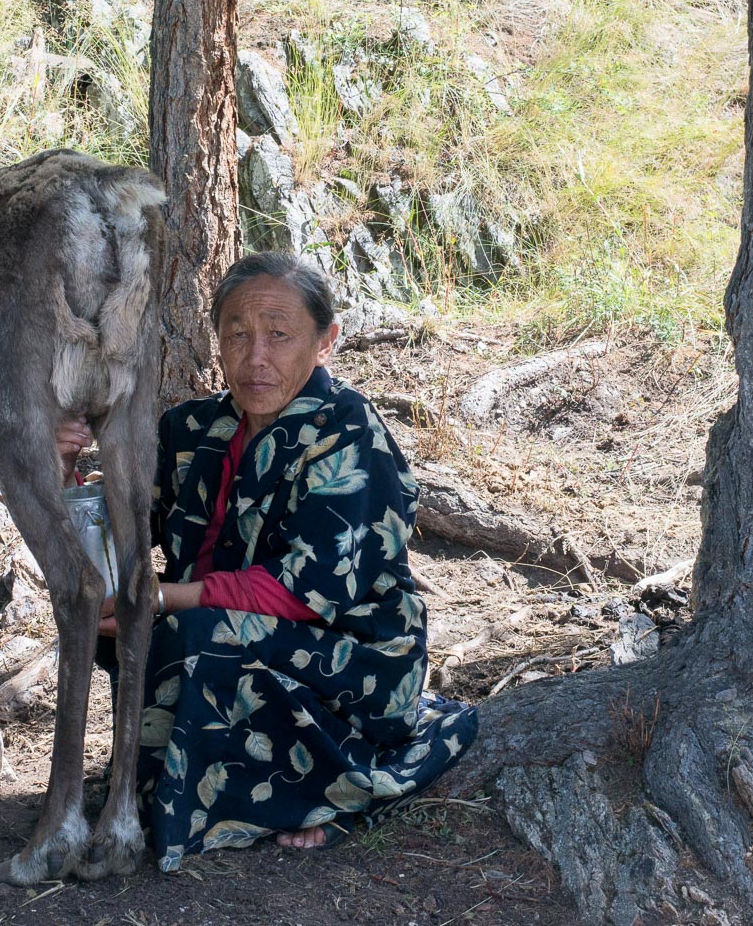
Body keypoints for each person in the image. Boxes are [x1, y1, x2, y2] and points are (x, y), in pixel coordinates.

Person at [58, 251, 477, 872]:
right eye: (237, 334)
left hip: (352, 655)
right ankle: (168, 787)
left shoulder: (348, 432)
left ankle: (313, 792)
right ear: (217, 341)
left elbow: (307, 591)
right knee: (129, 628)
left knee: (193, 630)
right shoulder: (191, 427)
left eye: (279, 335)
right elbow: (122, 522)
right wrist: (66, 466)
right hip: (218, 630)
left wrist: (170, 596)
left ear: (326, 340)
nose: (256, 356)